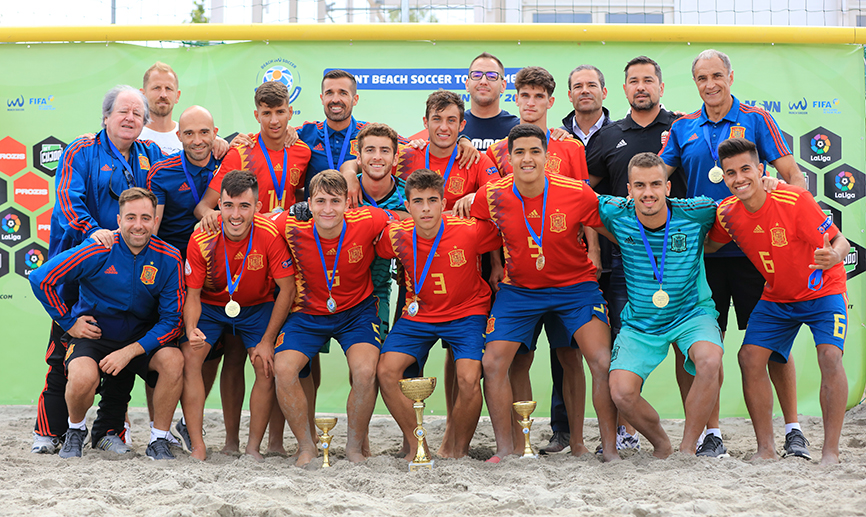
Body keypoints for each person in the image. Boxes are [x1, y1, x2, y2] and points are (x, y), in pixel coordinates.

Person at [660, 48, 808, 458]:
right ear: (695, 83)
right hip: (704, 254)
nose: (710, 84)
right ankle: (712, 434)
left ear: (730, 76)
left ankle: (794, 429)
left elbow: (793, 173)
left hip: (756, 254)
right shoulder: (682, 127)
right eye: (702, 78)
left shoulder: (757, 118)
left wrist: (791, 204)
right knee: (706, 347)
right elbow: (657, 175)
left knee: (773, 344)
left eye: (716, 75)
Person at [32, 85, 169, 455]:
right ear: (106, 116)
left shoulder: (150, 153)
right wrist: (95, 233)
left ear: (144, 122)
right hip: (79, 263)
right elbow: (67, 200)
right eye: (122, 111)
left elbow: (179, 172)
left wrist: (220, 143)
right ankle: (50, 432)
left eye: (137, 114)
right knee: (65, 354)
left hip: (128, 269)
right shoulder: (81, 150)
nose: (129, 118)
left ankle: (109, 430)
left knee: (118, 350)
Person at [469, 124, 618, 463]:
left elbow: (611, 229)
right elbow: (474, 229)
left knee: (599, 361)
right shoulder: (491, 194)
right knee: (493, 363)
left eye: (535, 151)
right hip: (520, 290)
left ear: (547, 156)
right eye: (519, 152)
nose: (527, 159)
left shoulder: (576, 192)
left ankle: (597, 447)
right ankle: (508, 448)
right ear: (509, 158)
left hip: (574, 288)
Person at [707, 138, 849, 465]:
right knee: (749, 358)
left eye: (746, 169)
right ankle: (766, 449)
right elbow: (708, 246)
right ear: (724, 178)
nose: (739, 178)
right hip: (778, 297)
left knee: (829, 357)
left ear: (761, 169)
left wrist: (834, 255)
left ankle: (831, 452)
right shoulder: (727, 213)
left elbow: (839, 241)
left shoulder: (795, 198)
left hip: (823, 291)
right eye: (731, 173)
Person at [582, 55, 690, 455]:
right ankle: (625, 433)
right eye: (633, 81)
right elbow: (584, 199)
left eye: (648, 80)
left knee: (688, 348)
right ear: (623, 90)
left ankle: (700, 434)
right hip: (624, 263)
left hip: (679, 261)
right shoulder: (606, 137)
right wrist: (596, 245)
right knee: (624, 344)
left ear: (661, 86)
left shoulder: (682, 128)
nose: (641, 86)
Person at [29, 187, 185, 460]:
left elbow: (173, 322)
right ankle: (75, 430)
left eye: (146, 218)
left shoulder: (169, 257)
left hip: (138, 340)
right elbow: (40, 278)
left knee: (173, 361)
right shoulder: (98, 248)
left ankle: (158, 439)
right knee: (82, 376)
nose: (138, 225)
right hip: (94, 336)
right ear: (119, 219)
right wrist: (69, 322)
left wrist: (131, 350)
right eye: (131, 217)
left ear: (155, 220)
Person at [599, 153, 723, 458]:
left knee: (709, 360)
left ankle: (686, 448)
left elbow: (740, 207)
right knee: (621, 391)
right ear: (628, 189)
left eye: (655, 184)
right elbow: (572, 196)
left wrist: (769, 182)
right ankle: (663, 445)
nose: (648, 193)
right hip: (641, 323)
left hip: (691, 313)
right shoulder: (615, 212)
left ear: (668, 187)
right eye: (639, 185)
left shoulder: (698, 212)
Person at [271, 170, 398, 466]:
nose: (328, 209)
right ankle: (306, 447)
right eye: (320, 201)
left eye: (335, 201)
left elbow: (403, 220)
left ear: (347, 204)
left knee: (366, 372)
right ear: (310, 205)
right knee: (284, 370)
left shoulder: (368, 219)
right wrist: (288, 209)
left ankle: (354, 449)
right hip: (307, 313)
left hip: (356, 312)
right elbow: (258, 220)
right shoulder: (291, 225)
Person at [376, 168, 501, 459]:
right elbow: (371, 240)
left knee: (469, 378)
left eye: (433, 200)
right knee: (385, 370)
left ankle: (456, 450)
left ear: (443, 203)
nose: (426, 208)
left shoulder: (468, 230)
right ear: (406, 207)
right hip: (419, 314)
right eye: (418, 201)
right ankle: (419, 445)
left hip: (467, 313)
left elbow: (504, 228)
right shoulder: (396, 236)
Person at [181, 170, 296, 461]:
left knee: (265, 365)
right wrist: (192, 328)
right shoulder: (202, 235)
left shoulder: (270, 234)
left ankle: (252, 448)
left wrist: (268, 340)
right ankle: (198, 445)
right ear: (219, 204)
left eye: (244, 206)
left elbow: (287, 289)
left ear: (257, 208)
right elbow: (192, 295)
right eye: (229, 205)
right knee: (190, 359)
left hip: (257, 308)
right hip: (211, 307)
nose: (235, 214)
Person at [195, 80, 311, 225]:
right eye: (267, 113)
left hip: (288, 236)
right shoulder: (240, 153)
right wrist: (212, 216)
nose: (274, 121)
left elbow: (294, 191)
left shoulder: (303, 152)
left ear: (290, 112)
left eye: (280, 112)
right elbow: (202, 207)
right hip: (251, 240)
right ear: (257, 115)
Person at [354, 123, 409, 338]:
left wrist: (392, 218)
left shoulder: (409, 195)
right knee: (303, 363)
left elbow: (428, 222)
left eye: (385, 151)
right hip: (334, 287)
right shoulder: (343, 192)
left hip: (378, 292)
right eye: (370, 150)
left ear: (395, 159)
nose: (377, 157)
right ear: (358, 157)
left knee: (370, 365)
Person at [138, 61, 229, 157]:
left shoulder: (190, 135)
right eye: (156, 88)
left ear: (177, 96)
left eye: (168, 88)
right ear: (142, 94)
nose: (163, 95)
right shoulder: (134, 136)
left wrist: (215, 141)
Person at [460, 52, 520, 151]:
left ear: (503, 86)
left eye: (492, 76)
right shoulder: (453, 127)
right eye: (476, 75)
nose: (483, 81)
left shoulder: (517, 128)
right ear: (467, 84)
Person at [560, 64, 611, 147]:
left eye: (591, 85)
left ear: (604, 93)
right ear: (570, 96)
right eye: (578, 86)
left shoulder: (619, 136)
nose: (585, 91)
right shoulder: (559, 138)